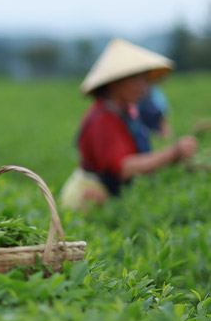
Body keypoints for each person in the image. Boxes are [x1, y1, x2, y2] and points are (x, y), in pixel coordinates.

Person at [60, 38, 197, 211]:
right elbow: (125, 168)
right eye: (134, 80)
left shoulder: (125, 113)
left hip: (111, 198)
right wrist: (172, 153)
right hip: (89, 201)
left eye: (144, 79)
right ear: (114, 83)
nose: (142, 86)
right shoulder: (102, 120)